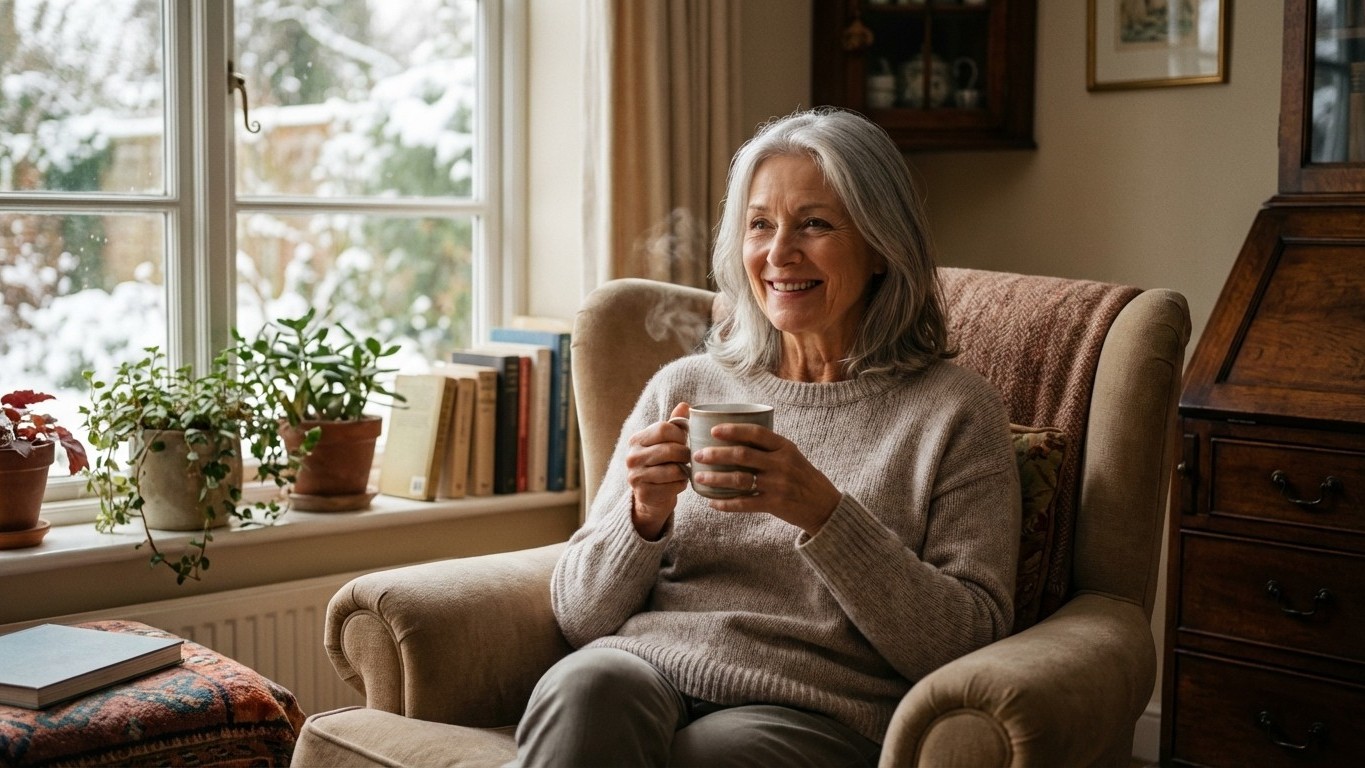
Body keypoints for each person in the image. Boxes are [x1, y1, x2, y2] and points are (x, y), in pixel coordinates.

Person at [509, 108, 1020, 767]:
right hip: (646, 667)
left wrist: (824, 515)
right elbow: (579, 616)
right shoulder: (683, 385)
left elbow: (965, 638)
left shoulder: (954, 411)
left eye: (813, 224)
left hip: (816, 708)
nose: (779, 254)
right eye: (760, 224)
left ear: (878, 246)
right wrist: (641, 517)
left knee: (714, 754)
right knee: (584, 689)